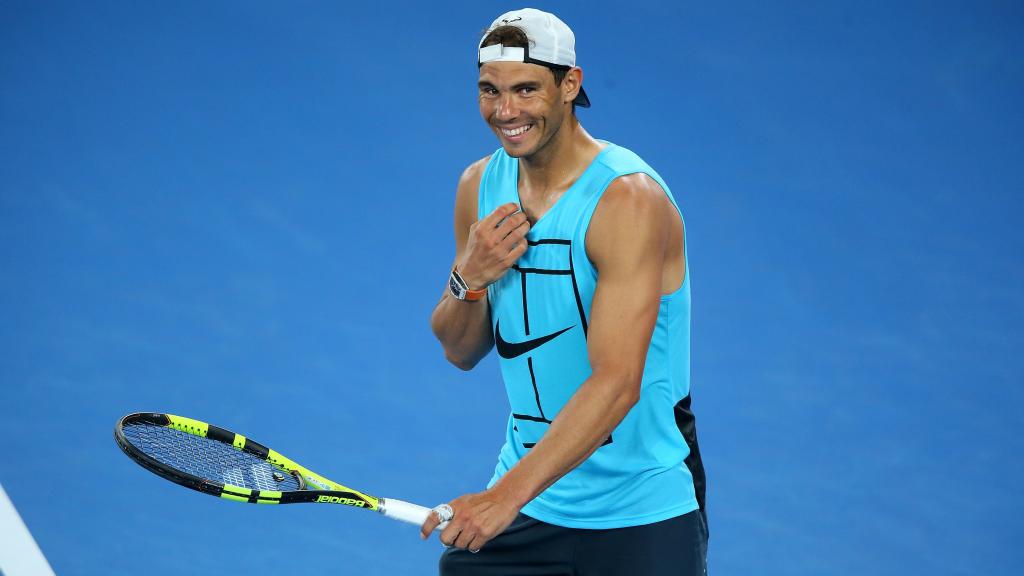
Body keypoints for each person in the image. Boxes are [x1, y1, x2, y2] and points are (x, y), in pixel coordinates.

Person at [423, 8, 708, 575]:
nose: (505, 112)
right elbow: (459, 351)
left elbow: (618, 382)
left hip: (641, 512)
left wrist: (503, 498)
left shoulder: (627, 202)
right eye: (490, 91)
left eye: (526, 90)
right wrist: (470, 280)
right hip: (532, 501)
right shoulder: (478, 185)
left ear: (569, 85)